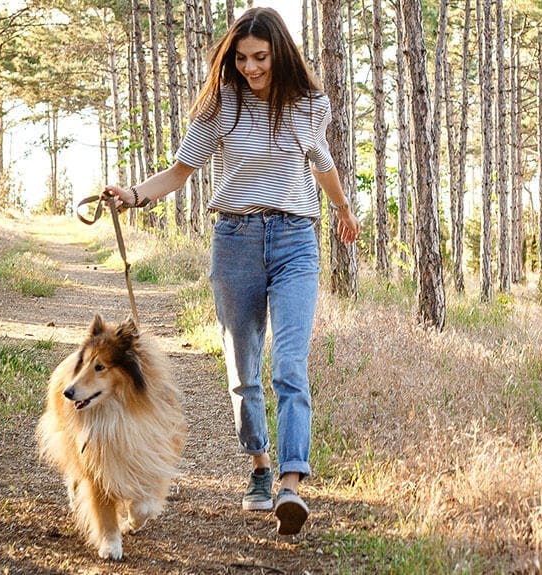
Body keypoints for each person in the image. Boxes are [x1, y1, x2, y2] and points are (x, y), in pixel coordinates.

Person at [106, 7, 360, 536]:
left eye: (260, 57)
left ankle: (292, 484)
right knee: (244, 374)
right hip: (235, 240)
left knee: (289, 365)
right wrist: (133, 194)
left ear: (280, 53)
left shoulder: (309, 104)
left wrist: (341, 209)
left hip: (295, 238)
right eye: (241, 58)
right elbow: (180, 172)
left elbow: (322, 163)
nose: (251, 67)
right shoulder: (219, 105)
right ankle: (260, 469)